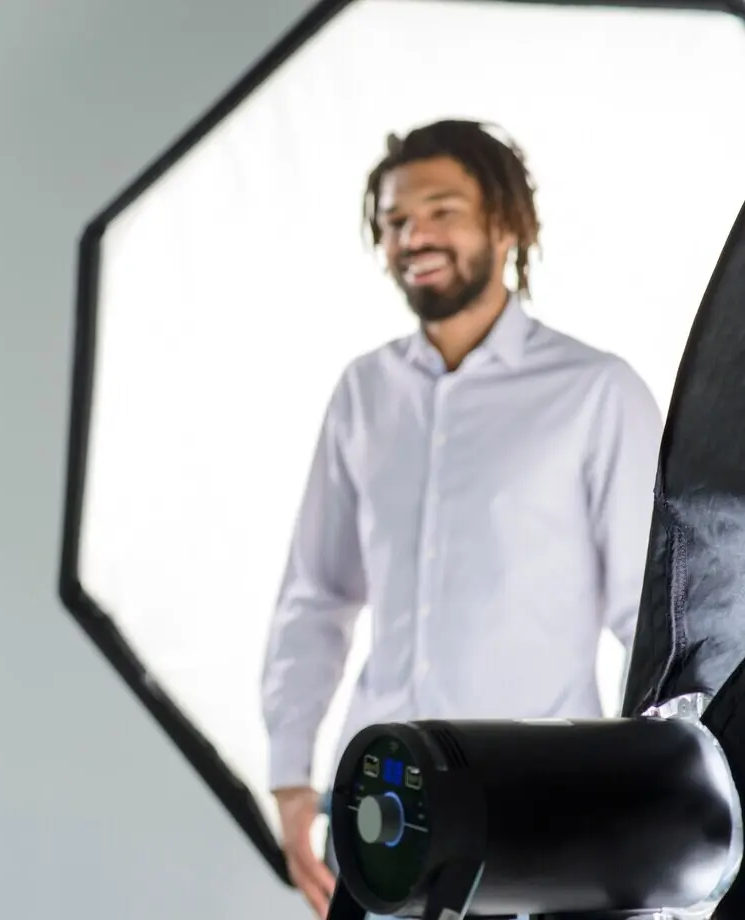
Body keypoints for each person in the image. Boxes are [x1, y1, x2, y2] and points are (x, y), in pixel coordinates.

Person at [260, 119, 662, 918]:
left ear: (506, 223)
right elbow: (318, 593)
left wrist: (661, 792)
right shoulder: (364, 392)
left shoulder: (596, 391)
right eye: (395, 221)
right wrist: (289, 774)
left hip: (537, 804)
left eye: (442, 211)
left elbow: (651, 617)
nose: (414, 237)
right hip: (379, 799)